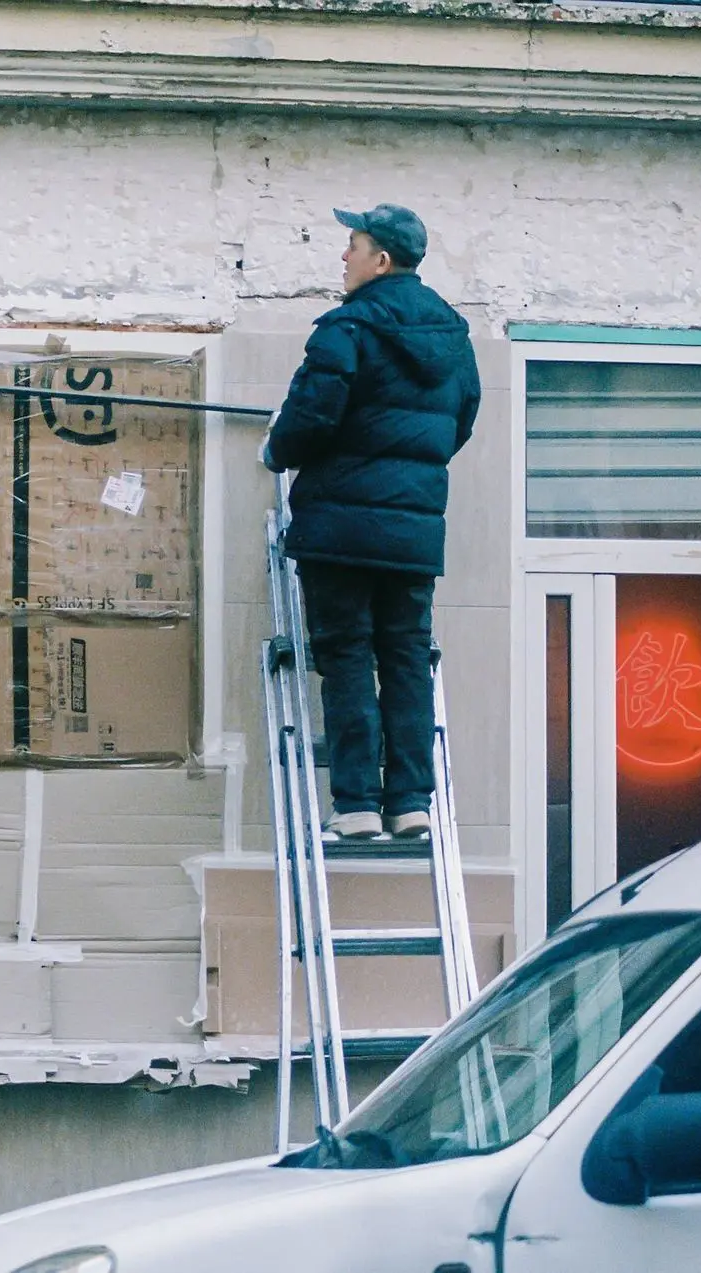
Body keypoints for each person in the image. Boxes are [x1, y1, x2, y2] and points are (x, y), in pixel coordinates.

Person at [262, 203, 480, 840]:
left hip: (341, 529)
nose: (343, 256)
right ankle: (412, 801)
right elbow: (460, 422)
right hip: (413, 532)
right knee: (407, 655)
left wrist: (276, 451)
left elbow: (309, 419)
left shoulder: (345, 329)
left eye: (351, 245)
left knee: (349, 654)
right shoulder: (454, 335)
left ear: (380, 259)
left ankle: (356, 804)